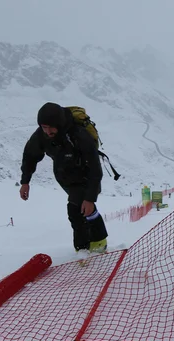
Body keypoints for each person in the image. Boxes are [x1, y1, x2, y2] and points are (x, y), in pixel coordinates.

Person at [19, 102, 108, 253]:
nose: (47, 131)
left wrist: (90, 198)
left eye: (50, 127)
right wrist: (25, 181)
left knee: (77, 209)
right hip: (65, 177)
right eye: (43, 127)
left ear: (59, 123)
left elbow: (95, 169)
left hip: (86, 175)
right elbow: (30, 156)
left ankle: (84, 248)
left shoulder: (78, 135)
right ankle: (95, 243)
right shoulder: (42, 135)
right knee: (83, 210)